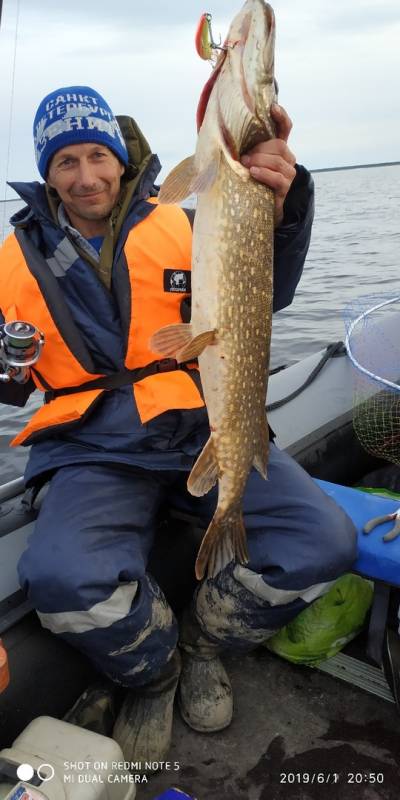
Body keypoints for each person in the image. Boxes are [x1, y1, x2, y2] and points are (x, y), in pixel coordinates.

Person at [0, 86, 357, 762]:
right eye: (65, 162)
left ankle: (206, 643)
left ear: (120, 154)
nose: (85, 177)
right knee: (62, 577)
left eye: (96, 156)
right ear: (46, 172)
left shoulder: (188, 219)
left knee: (324, 539)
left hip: (201, 420)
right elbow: (8, 386)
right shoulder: (9, 260)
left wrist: (283, 208)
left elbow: (267, 288)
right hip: (93, 445)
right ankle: (155, 672)